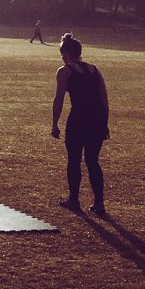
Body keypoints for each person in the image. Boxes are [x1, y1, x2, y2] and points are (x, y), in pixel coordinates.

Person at [51, 32, 109, 216]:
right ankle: (99, 203)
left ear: (66, 54)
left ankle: (74, 199)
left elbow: (58, 99)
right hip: (96, 120)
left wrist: (54, 124)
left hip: (78, 120)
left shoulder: (64, 71)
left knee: (74, 160)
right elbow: (104, 99)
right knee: (93, 161)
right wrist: (104, 123)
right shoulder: (94, 69)